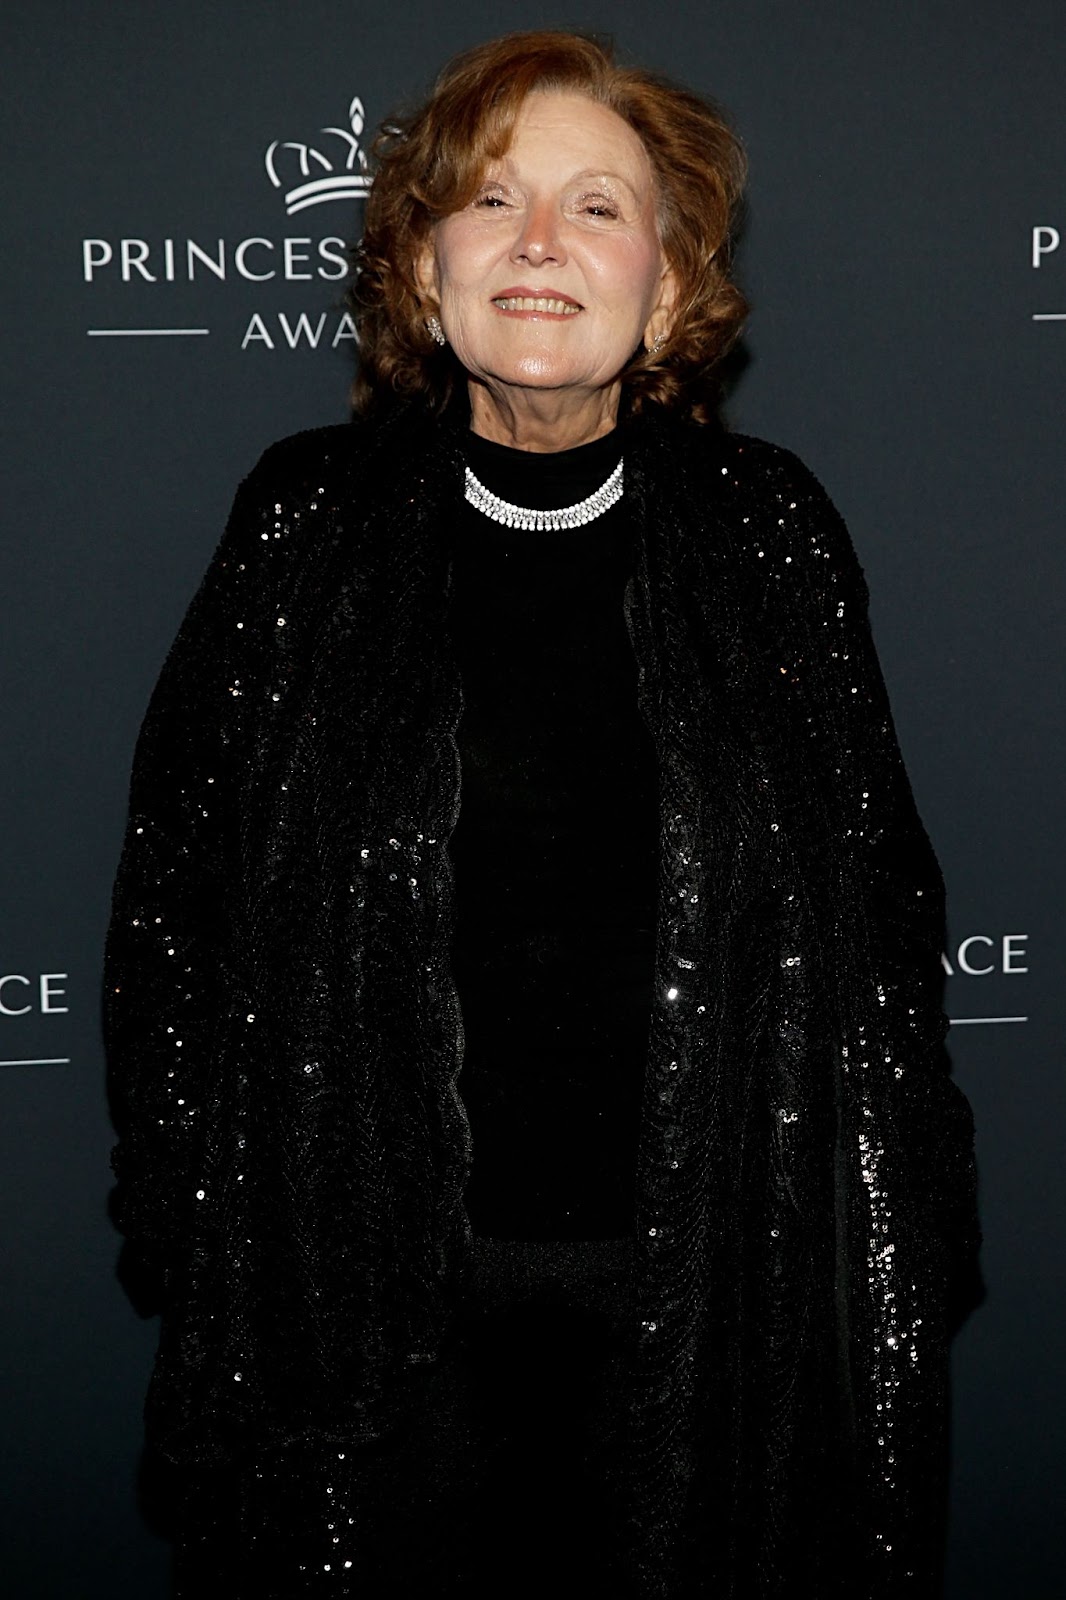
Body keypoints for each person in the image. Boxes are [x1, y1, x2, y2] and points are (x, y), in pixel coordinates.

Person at [103, 29, 981, 1600]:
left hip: (709, 1292)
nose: (536, 245)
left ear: (665, 282)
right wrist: (195, 1215)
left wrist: (901, 1232)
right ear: (421, 269)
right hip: (368, 1317)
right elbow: (178, 891)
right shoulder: (305, 520)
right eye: (488, 199)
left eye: (596, 206)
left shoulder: (767, 531)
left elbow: (876, 899)